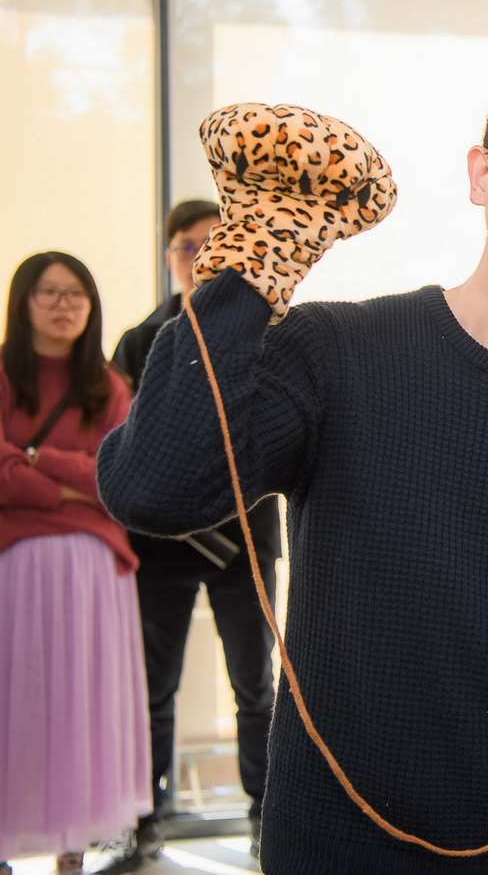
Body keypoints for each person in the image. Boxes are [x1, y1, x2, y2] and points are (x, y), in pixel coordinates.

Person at [96, 61, 488, 874]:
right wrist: (252, 263)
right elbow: (152, 488)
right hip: (335, 855)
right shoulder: (339, 352)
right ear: (482, 172)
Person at [99, 200, 282, 873]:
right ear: (169, 256)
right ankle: (143, 821)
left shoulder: (269, 331)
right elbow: (126, 442)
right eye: (186, 245)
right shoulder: (139, 341)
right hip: (160, 549)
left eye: (213, 242)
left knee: (254, 686)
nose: (201, 256)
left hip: (244, 544)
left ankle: (266, 816)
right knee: (153, 688)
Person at [0, 252, 150, 874]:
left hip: (95, 577)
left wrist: (34, 461)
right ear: (23, 301)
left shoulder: (109, 387)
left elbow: (120, 475)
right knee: (13, 710)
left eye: (76, 294)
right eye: (50, 293)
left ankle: (73, 854)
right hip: (12, 569)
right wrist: (70, 484)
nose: (64, 305)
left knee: (83, 715)